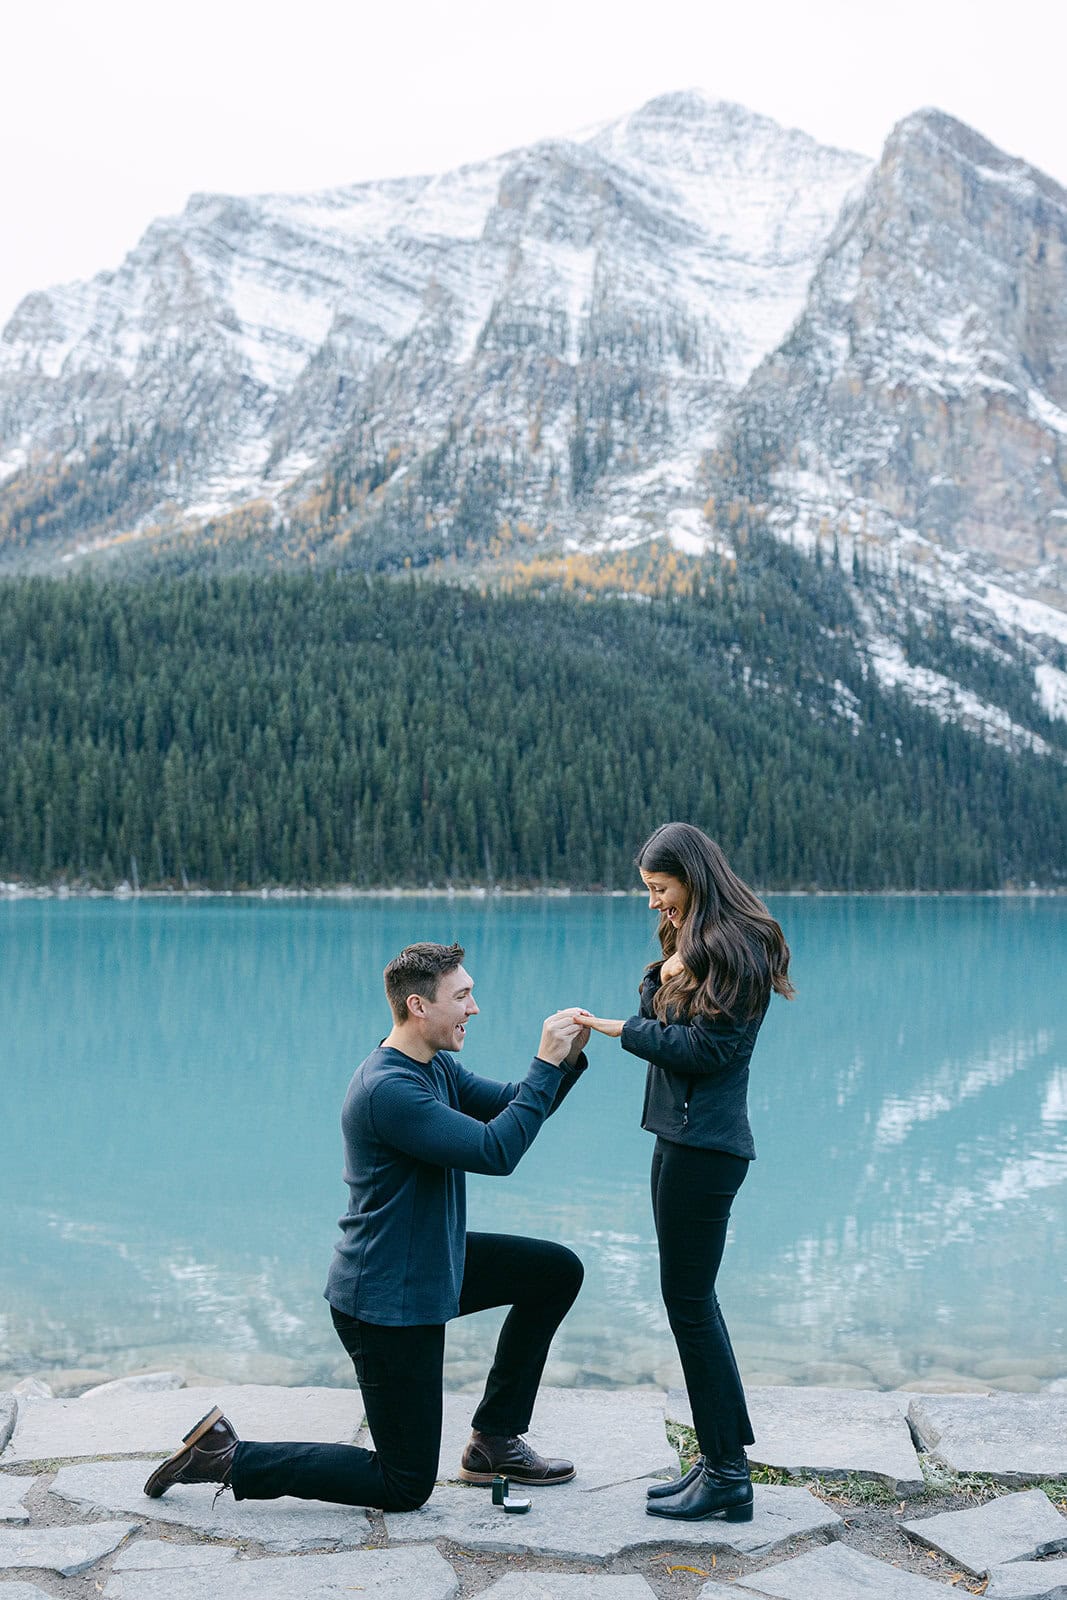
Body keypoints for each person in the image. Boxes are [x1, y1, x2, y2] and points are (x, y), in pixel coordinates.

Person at [143, 941, 589, 1512]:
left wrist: (566, 1060)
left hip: (430, 1262)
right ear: (418, 1006)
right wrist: (545, 1064)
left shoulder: (435, 1067)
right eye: (463, 996)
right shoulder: (390, 1090)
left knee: (553, 1272)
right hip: (386, 1300)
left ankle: (495, 1440)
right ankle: (227, 1457)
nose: (474, 1008)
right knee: (403, 1485)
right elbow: (496, 1149)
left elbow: (513, 1105)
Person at [579, 823, 793, 1523]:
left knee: (689, 1304)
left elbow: (706, 1052)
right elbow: (663, 1015)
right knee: (691, 1303)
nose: (652, 903)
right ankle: (719, 1458)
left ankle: (728, 1475)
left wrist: (618, 1029)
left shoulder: (735, 946)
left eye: (658, 889)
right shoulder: (695, 946)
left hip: (707, 1149)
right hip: (681, 1139)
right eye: (648, 891)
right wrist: (659, 972)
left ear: (691, 880)